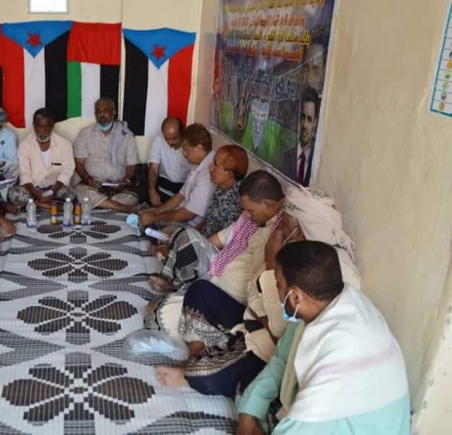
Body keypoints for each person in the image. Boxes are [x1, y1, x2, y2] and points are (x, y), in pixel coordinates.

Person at [155, 187, 363, 399]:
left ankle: (197, 371)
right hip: (253, 319)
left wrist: (271, 264)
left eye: (284, 225)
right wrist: (259, 309)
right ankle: (196, 354)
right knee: (200, 291)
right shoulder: (295, 250)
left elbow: (280, 332)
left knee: (206, 376)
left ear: (300, 229)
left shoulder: (329, 270)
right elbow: (253, 291)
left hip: (270, 343)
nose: (279, 228)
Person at [236, 241, 410, 435]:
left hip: (364, 427)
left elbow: (303, 424)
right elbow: (281, 359)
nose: (276, 291)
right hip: (331, 418)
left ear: (295, 297)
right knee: (248, 390)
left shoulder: (340, 354)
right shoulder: (321, 307)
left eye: (278, 284)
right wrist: (249, 412)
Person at [144, 170, 284, 342]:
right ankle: (176, 288)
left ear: (268, 205)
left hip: (228, 299)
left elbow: (259, 287)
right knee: (186, 236)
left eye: (250, 210)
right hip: (215, 277)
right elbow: (216, 240)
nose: (247, 214)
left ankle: (178, 294)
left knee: (156, 319)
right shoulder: (255, 221)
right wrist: (194, 251)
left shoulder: (275, 236)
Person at [146, 145, 248, 294]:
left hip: (216, 255)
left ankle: (173, 283)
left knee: (183, 239)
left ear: (229, 173)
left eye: (216, 165)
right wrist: (181, 240)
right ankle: (169, 267)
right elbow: (207, 221)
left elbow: (224, 245)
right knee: (178, 235)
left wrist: (188, 243)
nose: (210, 167)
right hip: (205, 241)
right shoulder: (221, 188)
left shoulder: (237, 201)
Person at [139, 124, 216, 229]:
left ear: (199, 147)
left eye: (186, 150)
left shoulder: (209, 173)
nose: (183, 154)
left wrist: (155, 218)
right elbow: (180, 195)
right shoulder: (197, 164)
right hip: (179, 214)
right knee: (142, 216)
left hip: (188, 225)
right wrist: (155, 212)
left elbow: (188, 214)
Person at [74, 97, 140, 213]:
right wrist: (87, 179)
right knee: (81, 192)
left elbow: (131, 165)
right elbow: (79, 163)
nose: (101, 114)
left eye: (105, 111)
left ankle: (102, 204)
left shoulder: (126, 135)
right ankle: (119, 207)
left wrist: (125, 181)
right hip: (93, 186)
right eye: (98, 111)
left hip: (118, 188)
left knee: (131, 196)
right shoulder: (85, 133)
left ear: (113, 113)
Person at [9, 108, 76, 208]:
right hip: (33, 189)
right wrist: (35, 192)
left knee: (70, 193)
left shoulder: (64, 144)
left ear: (52, 125)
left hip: (56, 188)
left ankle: (36, 204)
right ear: (34, 125)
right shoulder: (25, 145)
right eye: (39, 126)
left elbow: (67, 170)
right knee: (13, 193)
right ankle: (51, 205)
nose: (43, 131)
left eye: (47, 127)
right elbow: (24, 173)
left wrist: (53, 190)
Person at [147, 117, 192, 206]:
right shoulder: (159, 141)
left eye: (174, 138)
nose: (170, 142)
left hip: (184, 195)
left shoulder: (191, 145)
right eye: (166, 139)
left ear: (182, 133)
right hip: (162, 191)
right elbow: (153, 168)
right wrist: (152, 190)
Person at [283, 87, 320, 186]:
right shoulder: (286, 158)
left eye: (309, 119)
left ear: (315, 123)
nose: (304, 125)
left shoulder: (316, 163)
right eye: (303, 117)